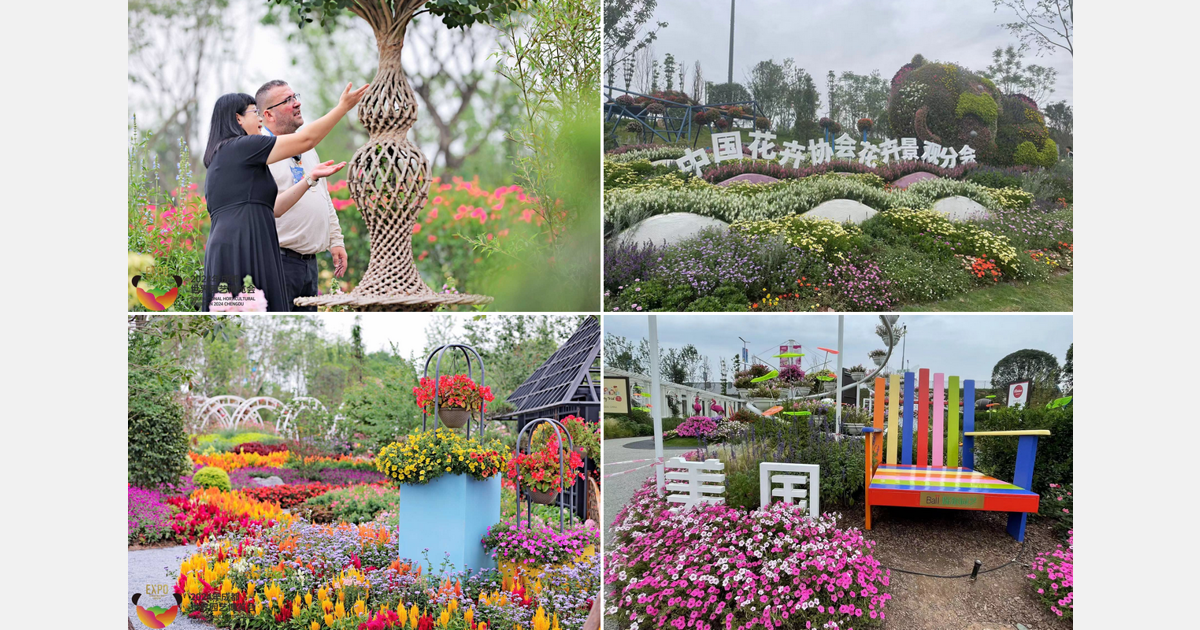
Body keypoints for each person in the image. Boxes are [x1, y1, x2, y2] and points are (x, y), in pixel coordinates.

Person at [200, 82, 367, 311]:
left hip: (244, 245)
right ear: (238, 119)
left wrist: (310, 179)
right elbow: (307, 139)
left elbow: (275, 208)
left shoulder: (233, 155)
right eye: (254, 112)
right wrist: (343, 107)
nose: (259, 118)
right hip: (242, 248)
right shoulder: (241, 147)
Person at [255, 80, 349, 312]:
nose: (297, 103)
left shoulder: (308, 148)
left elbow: (324, 198)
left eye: (294, 96)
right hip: (277, 262)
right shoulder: (259, 151)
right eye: (287, 100)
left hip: (309, 265)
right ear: (268, 114)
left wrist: (336, 241)